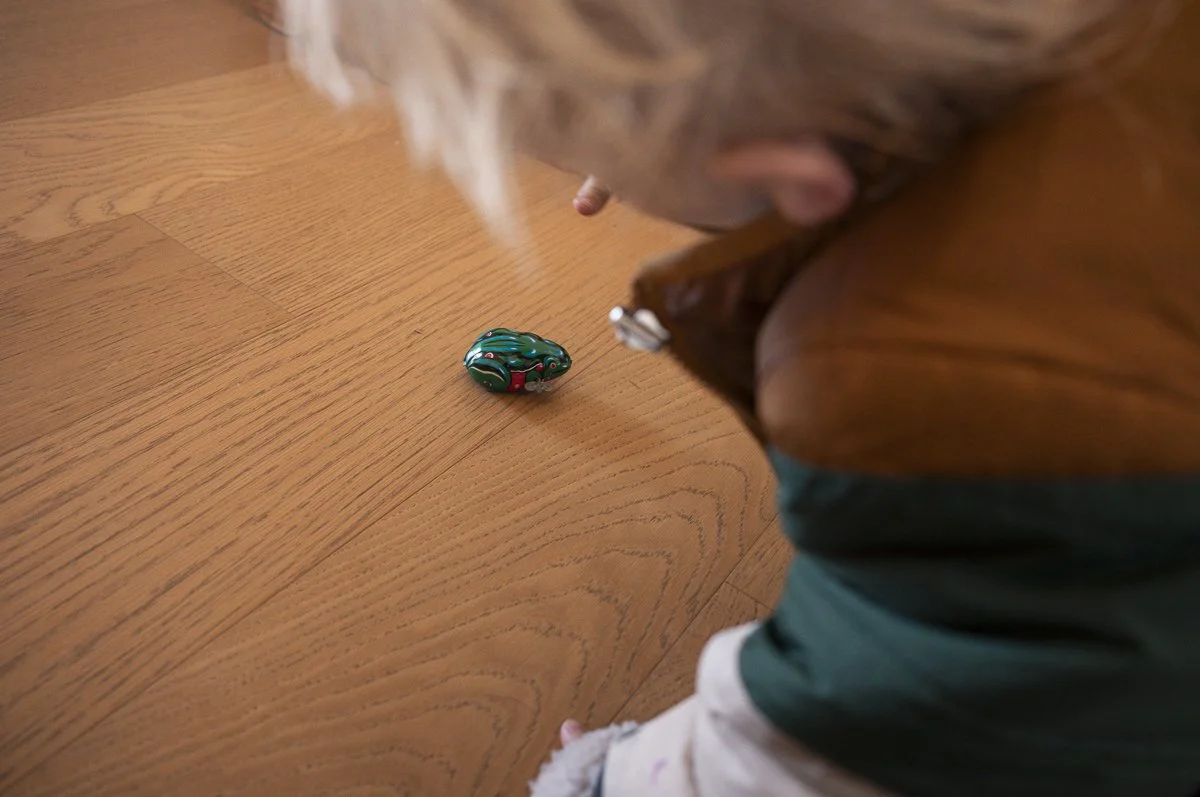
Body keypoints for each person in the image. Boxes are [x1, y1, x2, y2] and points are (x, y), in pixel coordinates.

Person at [280, 1, 1200, 794]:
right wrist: (693, 149)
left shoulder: (900, 382)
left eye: (597, 152)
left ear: (792, 170)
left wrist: (615, 775)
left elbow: (865, 727)